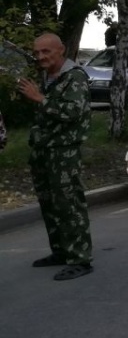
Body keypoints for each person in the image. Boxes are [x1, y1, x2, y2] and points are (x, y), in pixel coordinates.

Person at [17, 33, 94, 281]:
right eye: (37, 52)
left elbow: (72, 111)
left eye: (46, 52)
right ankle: (61, 251)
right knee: (50, 204)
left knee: (69, 205)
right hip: (44, 151)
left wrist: (39, 98)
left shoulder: (75, 78)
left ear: (60, 50)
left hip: (64, 152)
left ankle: (80, 258)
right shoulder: (50, 77)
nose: (40, 57)